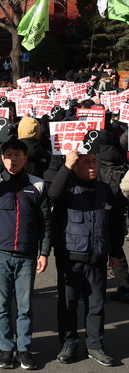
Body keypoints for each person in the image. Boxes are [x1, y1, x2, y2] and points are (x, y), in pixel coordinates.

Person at [0, 137, 51, 370]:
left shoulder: (37, 184)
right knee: (2, 305)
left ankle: (24, 349)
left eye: (17, 155)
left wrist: (44, 252)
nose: (12, 159)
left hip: (26, 254)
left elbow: (46, 222)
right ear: (2, 158)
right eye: (8, 155)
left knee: (25, 306)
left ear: (25, 158)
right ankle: (6, 348)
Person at [49, 151, 124, 366]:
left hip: (98, 258)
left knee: (96, 305)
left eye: (94, 162)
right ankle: (69, 344)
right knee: (68, 304)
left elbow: (114, 223)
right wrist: (66, 167)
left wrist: (116, 252)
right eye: (86, 162)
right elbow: (53, 194)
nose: (92, 166)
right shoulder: (67, 186)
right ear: (75, 165)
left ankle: (95, 346)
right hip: (70, 258)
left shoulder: (106, 189)